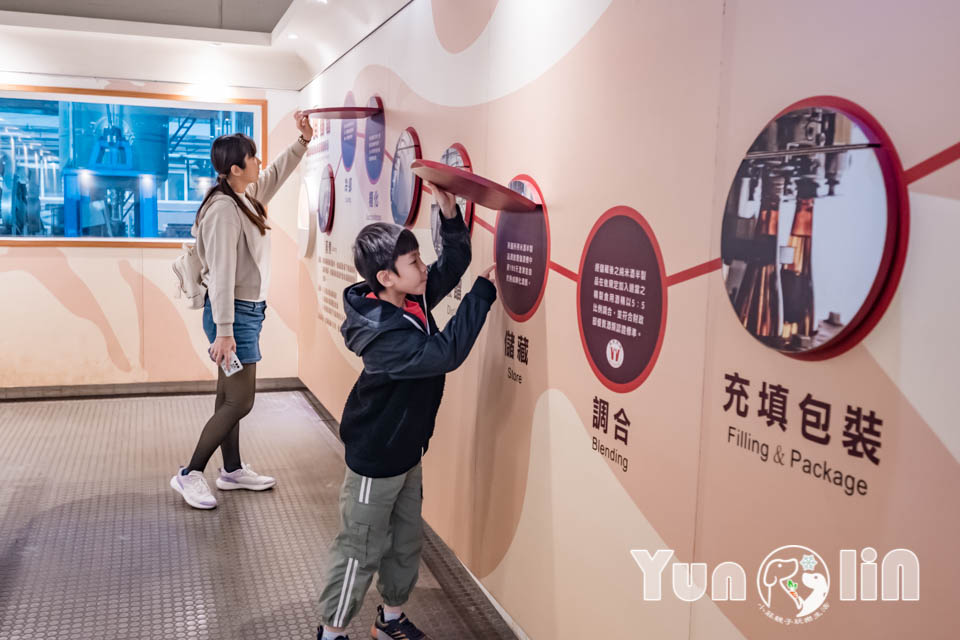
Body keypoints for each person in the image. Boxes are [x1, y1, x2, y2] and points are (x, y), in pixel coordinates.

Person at [316, 183, 497, 640]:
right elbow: (445, 353)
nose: (423, 267)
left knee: (405, 541)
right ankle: (332, 634)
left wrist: (449, 212)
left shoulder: (408, 299)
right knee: (359, 548)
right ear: (386, 277)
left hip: (407, 449)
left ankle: (390, 619)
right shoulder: (382, 334)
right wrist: (481, 295)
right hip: (376, 455)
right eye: (413, 262)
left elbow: (453, 262)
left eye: (418, 259)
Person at [170, 111, 314, 510]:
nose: (259, 162)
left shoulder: (244, 196)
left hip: (245, 313)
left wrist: (303, 141)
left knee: (227, 396)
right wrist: (224, 331)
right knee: (241, 401)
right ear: (236, 168)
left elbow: (276, 174)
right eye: (252, 157)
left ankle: (231, 470)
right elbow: (221, 275)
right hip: (232, 316)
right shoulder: (223, 210)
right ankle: (190, 473)